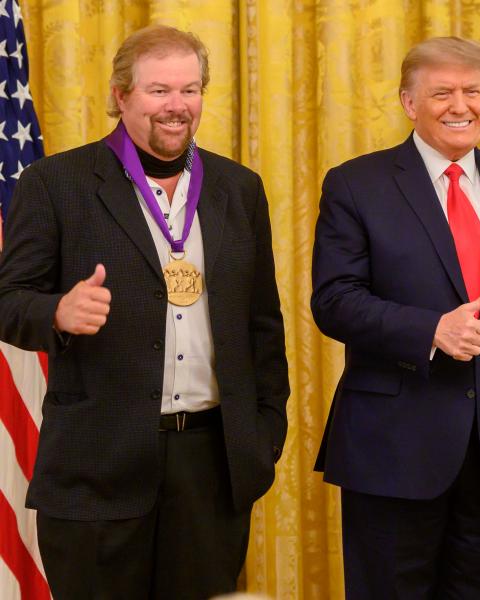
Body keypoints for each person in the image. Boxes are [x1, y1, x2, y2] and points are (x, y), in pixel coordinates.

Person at [0, 24, 289, 599]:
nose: (176, 106)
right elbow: (9, 301)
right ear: (120, 95)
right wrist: (57, 311)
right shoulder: (55, 184)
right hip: (98, 467)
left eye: (189, 90)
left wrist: (262, 435)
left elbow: (263, 324)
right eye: (159, 91)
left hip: (211, 467)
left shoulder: (239, 189)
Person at [311, 36, 480, 599]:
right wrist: (430, 330)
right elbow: (334, 300)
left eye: (472, 91)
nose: (462, 106)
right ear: (409, 103)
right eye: (443, 93)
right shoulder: (356, 185)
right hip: (393, 450)